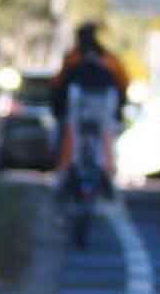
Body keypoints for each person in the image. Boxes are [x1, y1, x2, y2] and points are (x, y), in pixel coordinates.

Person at [52, 22, 124, 192]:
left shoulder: (74, 59)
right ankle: (106, 174)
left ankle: (65, 175)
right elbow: (122, 85)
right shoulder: (109, 59)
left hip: (90, 101)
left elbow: (58, 86)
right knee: (105, 133)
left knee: (74, 132)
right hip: (101, 100)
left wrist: (58, 111)